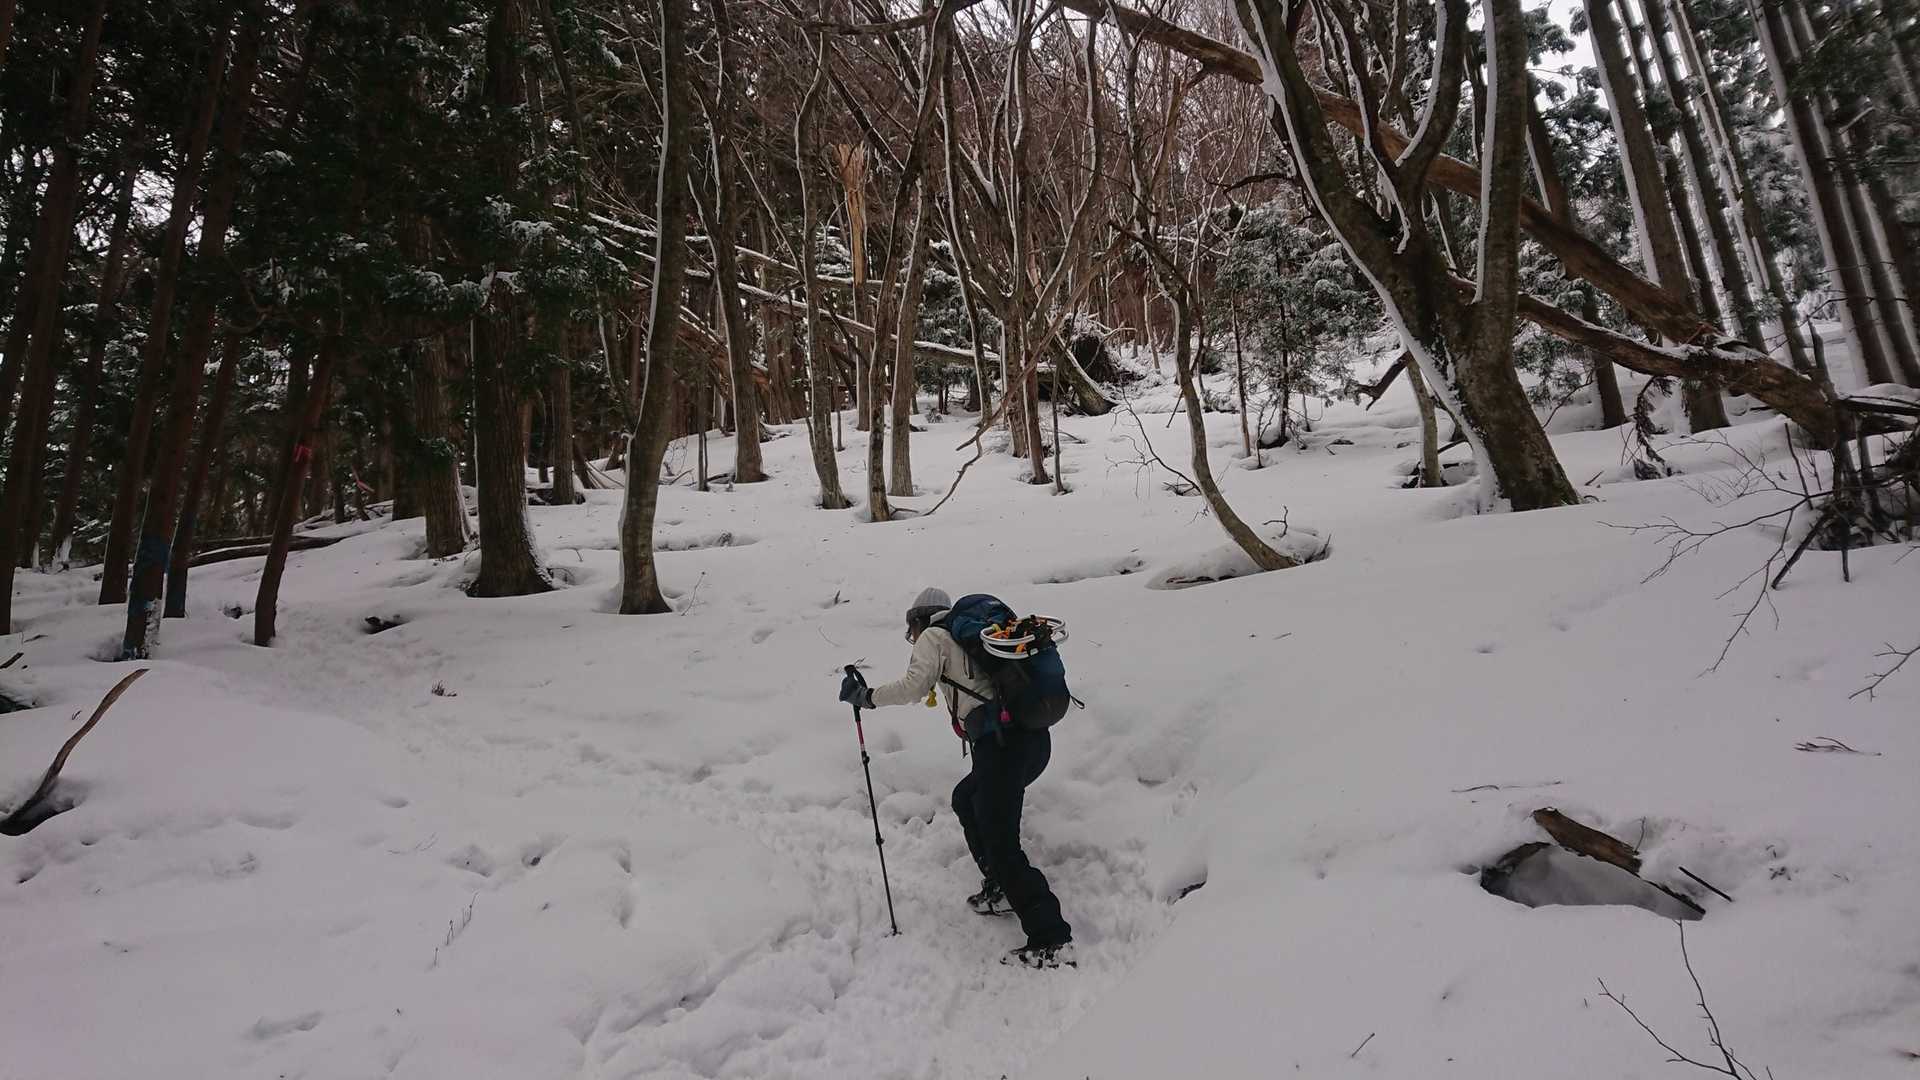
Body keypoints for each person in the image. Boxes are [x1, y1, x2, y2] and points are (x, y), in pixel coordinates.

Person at [839, 587, 1074, 968]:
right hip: (1031, 741)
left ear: (920, 620)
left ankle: (1052, 938)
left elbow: (913, 687)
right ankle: (1001, 886)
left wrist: (866, 697)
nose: (912, 636)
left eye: (911, 628)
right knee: (966, 799)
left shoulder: (935, 636)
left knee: (1001, 843)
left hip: (1002, 747)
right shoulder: (974, 637)